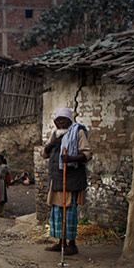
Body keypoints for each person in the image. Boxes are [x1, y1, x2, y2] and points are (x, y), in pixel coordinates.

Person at [42, 107, 91, 255]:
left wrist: (71, 158)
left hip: (71, 179)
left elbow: (87, 154)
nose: (60, 123)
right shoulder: (55, 135)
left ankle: (72, 244)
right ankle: (60, 242)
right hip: (57, 179)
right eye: (58, 120)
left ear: (70, 121)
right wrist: (52, 144)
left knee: (69, 212)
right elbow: (45, 154)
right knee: (57, 212)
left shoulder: (78, 132)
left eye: (63, 120)